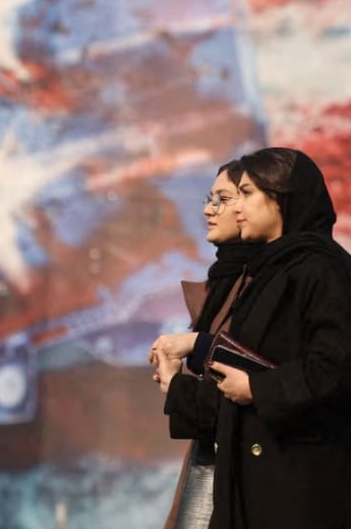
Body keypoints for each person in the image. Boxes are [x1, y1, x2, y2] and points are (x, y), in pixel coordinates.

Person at [157, 147, 351, 529]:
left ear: (280, 200)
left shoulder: (323, 269)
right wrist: (179, 386)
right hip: (267, 479)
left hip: (308, 489)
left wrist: (256, 388)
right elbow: (250, 372)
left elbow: (337, 370)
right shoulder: (272, 272)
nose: (235, 207)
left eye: (246, 194)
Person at [150, 160, 257, 529]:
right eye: (210, 199)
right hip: (212, 460)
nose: (209, 210)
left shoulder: (261, 286)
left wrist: (178, 381)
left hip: (246, 476)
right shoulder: (225, 283)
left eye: (224, 199)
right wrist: (177, 381)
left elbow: (255, 391)